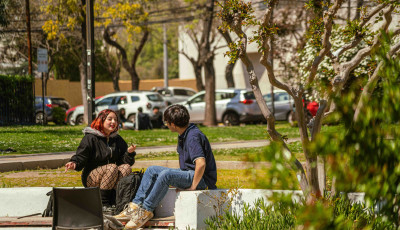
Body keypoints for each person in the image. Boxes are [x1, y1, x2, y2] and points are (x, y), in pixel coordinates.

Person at [114, 104, 217, 229]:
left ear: (173, 124)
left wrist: (192, 187)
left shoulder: (193, 136)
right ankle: (134, 207)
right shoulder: (185, 133)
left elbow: (201, 164)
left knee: (166, 175)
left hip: (202, 179)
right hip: (189, 173)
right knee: (152, 170)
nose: (166, 124)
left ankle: (146, 211)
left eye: (167, 122)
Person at [65, 109, 137, 213]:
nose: (113, 122)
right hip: (92, 177)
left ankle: (114, 201)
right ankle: (103, 203)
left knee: (126, 168)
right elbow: (81, 156)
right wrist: (74, 163)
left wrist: (129, 153)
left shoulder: (117, 139)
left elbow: (124, 162)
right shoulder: (90, 138)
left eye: (115, 120)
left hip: (111, 176)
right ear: (101, 120)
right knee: (112, 167)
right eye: (110, 119)